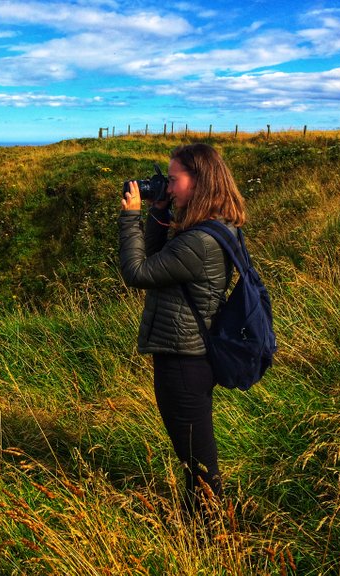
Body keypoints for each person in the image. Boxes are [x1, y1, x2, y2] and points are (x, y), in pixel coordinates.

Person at [118, 143, 247, 514]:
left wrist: (130, 219)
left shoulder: (199, 240)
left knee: (200, 465)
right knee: (195, 458)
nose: (169, 188)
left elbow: (138, 272)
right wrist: (158, 212)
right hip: (191, 354)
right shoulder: (213, 228)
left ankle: (211, 535)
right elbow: (159, 262)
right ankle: (204, 525)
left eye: (174, 181)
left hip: (183, 360)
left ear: (200, 181)